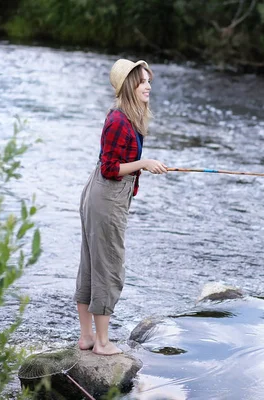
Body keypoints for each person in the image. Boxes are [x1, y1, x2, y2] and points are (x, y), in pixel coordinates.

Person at [74, 59, 168, 355]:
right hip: (106, 196)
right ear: (129, 86)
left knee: (93, 264)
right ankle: (101, 343)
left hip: (103, 195)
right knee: (108, 267)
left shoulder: (128, 117)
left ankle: (87, 338)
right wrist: (144, 164)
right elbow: (110, 168)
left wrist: (144, 166)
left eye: (148, 80)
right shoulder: (118, 120)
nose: (148, 86)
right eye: (142, 81)